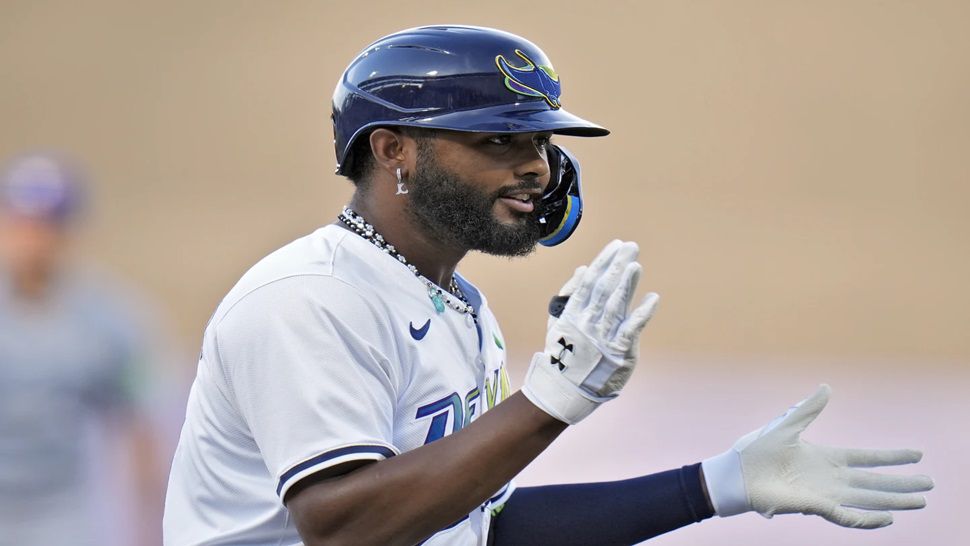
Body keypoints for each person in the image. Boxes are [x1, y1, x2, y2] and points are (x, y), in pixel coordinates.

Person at [163, 26, 932, 545]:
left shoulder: (457, 307)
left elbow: (476, 529)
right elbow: (342, 526)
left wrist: (716, 485)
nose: (536, 165)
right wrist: (548, 407)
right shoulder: (307, 298)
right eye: (497, 138)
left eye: (537, 140)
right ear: (394, 149)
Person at [0, 153, 167, 546]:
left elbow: (141, 424)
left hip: (61, 512)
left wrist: (149, 524)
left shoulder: (107, 318)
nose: (33, 239)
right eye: (22, 224)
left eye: (47, 226)